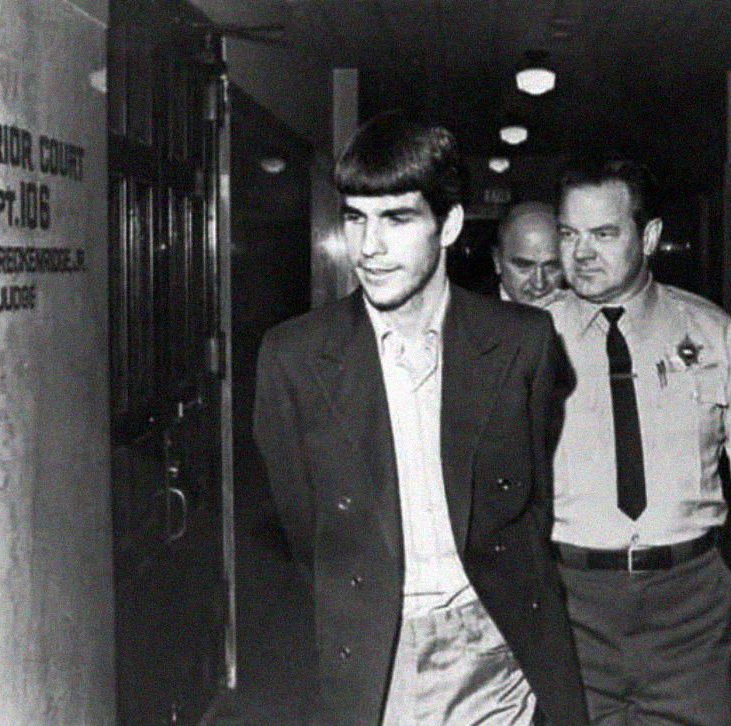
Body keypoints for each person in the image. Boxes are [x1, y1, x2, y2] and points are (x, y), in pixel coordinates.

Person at [252, 111, 588, 726]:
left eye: (397, 219)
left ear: (449, 225)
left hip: (497, 646)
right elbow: (302, 531)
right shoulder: (294, 357)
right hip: (374, 649)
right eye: (355, 218)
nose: (368, 248)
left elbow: (528, 507)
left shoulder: (523, 341)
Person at [545, 153, 731, 725]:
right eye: (570, 234)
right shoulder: (525, 342)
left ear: (648, 237)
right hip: (568, 604)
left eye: (603, 233)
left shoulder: (715, 337)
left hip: (688, 607)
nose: (581, 252)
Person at [493, 201, 565, 307]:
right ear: (497, 261)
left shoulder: (584, 316)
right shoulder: (469, 315)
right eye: (524, 266)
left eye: (552, 267)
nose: (539, 284)